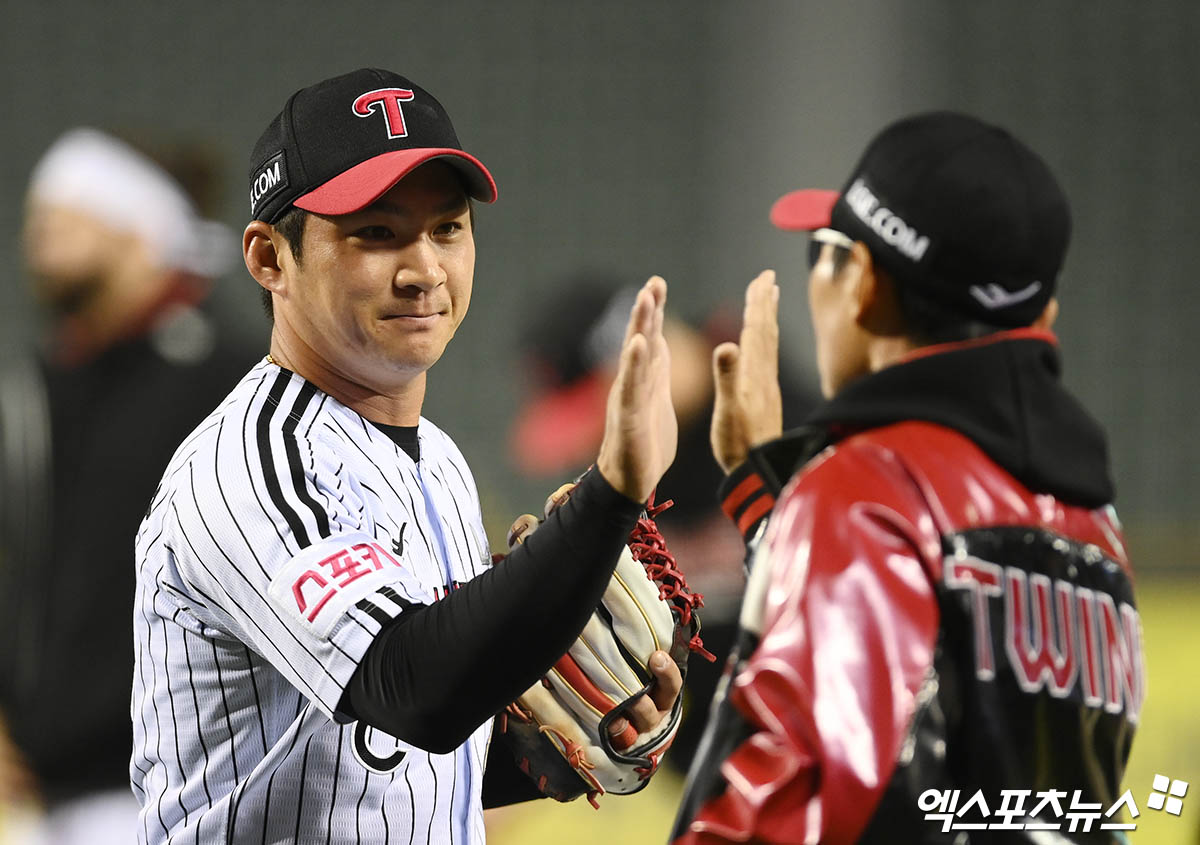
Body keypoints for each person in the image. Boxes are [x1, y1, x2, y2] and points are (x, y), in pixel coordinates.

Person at [130, 68, 683, 844]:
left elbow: (398, 757)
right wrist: (609, 498)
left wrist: (560, 745)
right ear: (268, 258)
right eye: (376, 232)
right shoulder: (251, 465)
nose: (424, 269)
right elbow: (412, 686)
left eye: (447, 228)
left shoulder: (441, 463)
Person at [672, 112, 1146, 843]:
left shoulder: (861, 491)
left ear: (861, 284)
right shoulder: (1095, 529)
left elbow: (808, 803)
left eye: (825, 254)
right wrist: (767, 499)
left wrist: (806, 503)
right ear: (1040, 311)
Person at [0, 127, 253, 844]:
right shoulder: (41, 383)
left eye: (70, 212)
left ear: (142, 227)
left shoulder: (226, 381)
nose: (39, 232)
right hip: (42, 792)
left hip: (177, 793)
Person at [508, 278, 817, 771]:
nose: (598, 437)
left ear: (641, 363)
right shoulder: (634, 468)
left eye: (601, 405)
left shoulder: (785, 423)